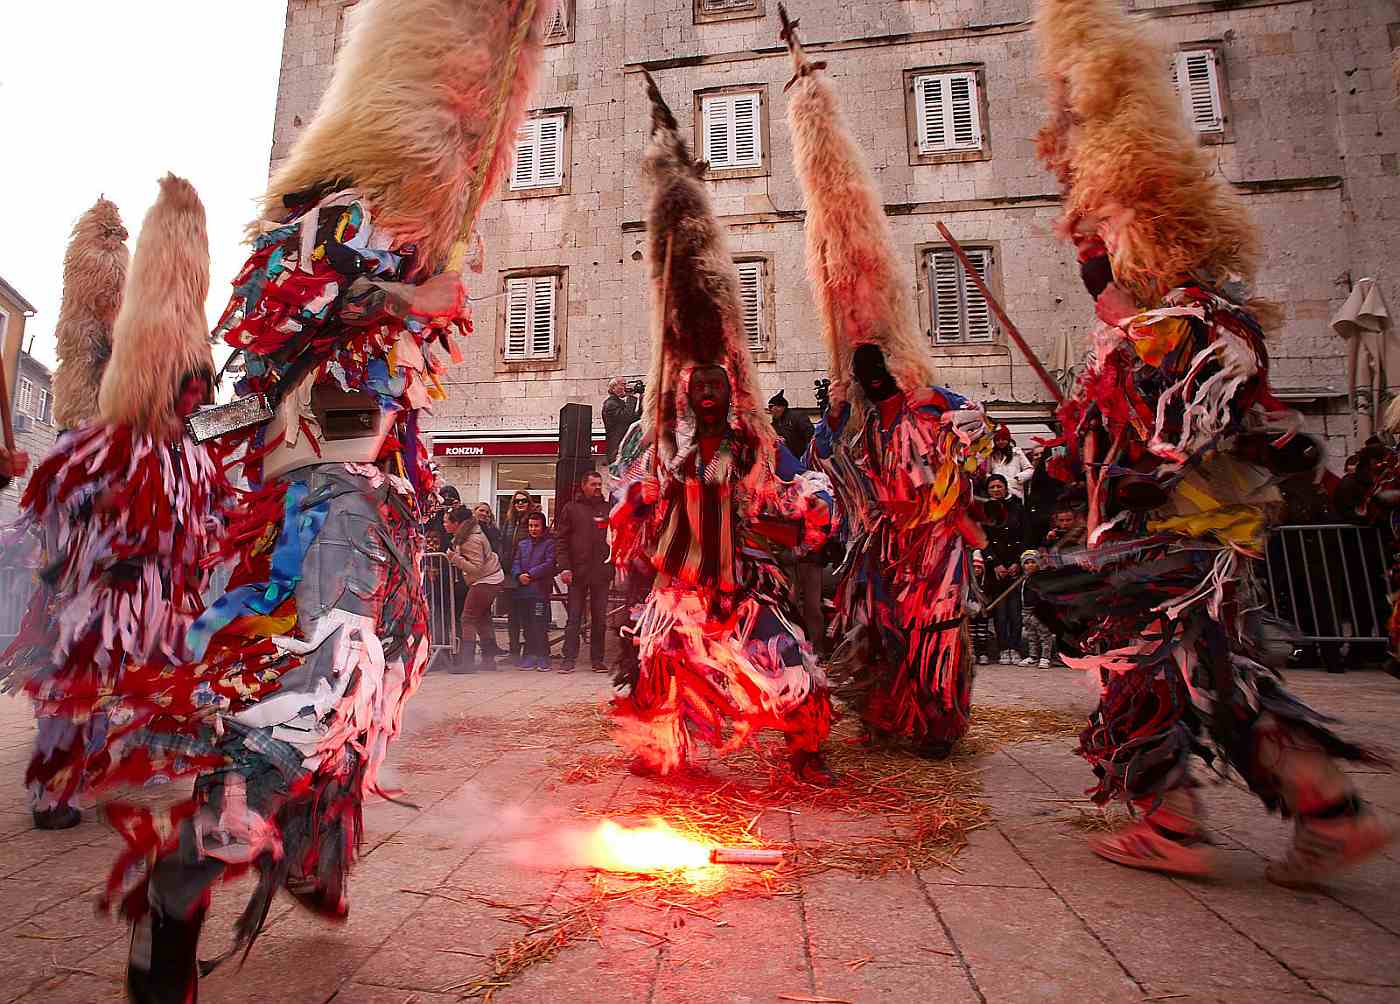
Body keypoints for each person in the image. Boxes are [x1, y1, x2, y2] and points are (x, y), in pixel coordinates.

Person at [39, 6, 549, 997]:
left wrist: (418, 287)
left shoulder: (383, 239)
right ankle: (181, 882)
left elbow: (382, 355)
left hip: (374, 500)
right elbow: (274, 318)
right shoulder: (320, 225)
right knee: (326, 679)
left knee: (372, 681)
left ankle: (313, 853)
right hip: (325, 499)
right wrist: (407, 298)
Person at [1030, 0, 1390, 885]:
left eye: (1095, 262)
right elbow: (1253, 432)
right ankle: (1325, 815)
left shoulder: (1179, 328)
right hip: (1199, 541)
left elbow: (1205, 425)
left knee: (1131, 653)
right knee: (1215, 677)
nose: (1090, 278)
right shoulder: (1203, 324)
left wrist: (1146, 477)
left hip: (1182, 543)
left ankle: (1178, 823)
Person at [610, 75, 837, 785]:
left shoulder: (748, 447)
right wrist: (640, 508)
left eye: (717, 384)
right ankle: (665, 756)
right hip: (679, 588)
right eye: (697, 384)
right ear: (687, 390)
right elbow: (643, 494)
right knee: (662, 676)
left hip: (737, 587)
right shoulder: (666, 443)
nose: (707, 390)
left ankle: (806, 751)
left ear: (727, 391)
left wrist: (806, 512)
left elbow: (784, 490)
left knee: (791, 666)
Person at [780, 10, 992, 760]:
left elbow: (973, 452)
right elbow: (829, 474)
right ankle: (884, 712)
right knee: (875, 623)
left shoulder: (938, 410)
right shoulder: (859, 421)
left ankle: (934, 720)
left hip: (928, 550)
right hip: (878, 551)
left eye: (877, 378)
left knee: (929, 624)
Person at [0, 176, 227, 837]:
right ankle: (60, 780)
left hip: (136, 508)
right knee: (85, 645)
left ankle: (110, 755)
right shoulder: (92, 410)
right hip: (99, 518)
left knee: (141, 635)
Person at [556, 470, 612, 673]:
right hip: (577, 573)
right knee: (574, 617)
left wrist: (613, 565)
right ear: (583, 486)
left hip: (601, 573)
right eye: (593, 484)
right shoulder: (571, 509)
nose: (597, 488)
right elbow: (561, 540)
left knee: (599, 619)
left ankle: (597, 660)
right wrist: (564, 567)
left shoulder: (608, 509)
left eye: (599, 484)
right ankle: (568, 659)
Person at [445, 504, 505, 671]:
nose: (444, 524)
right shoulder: (467, 534)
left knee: (468, 618)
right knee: (482, 618)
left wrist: (454, 558)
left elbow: (476, 568)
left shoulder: (471, 539)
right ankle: (488, 660)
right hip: (489, 577)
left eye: (446, 522)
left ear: (457, 523)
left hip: (486, 579)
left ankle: (467, 663)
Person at [981, 474, 1026, 663]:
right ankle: (1003, 648)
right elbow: (982, 540)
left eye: (999, 486)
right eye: (992, 487)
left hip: (1015, 564)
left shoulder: (1018, 508)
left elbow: (1026, 535)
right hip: (996, 567)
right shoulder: (984, 512)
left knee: (1015, 610)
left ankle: (1015, 647)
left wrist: (1018, 562)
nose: (996, 490)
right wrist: (995, 564)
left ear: (1006, 488)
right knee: (1000, 610)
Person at [513, 511, 556, 670]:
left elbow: (549, 563)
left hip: (540, 590)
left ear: (543, 527)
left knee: (539, 624)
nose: (533, 529)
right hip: (524, 591)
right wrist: (519, 575)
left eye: (536, 526)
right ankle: (530, 655)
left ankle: (543, 656)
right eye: (531, 526)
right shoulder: (522, 544)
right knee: (527, 624)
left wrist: (531, 574)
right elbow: (516, 561)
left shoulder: (550, 543)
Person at [500, 490, 535, 663]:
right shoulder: (509, 522)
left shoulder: (533, 521)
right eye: (516, 501)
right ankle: (514, 651)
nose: (520, 504)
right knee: (512, 614)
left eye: (523, 501)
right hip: (510, 572)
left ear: (529, 502)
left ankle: (530, 650)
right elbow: (504, 544)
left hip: (527, 571)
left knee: (527, 614)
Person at [1016, 550, 1055, 668]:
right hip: (1026, 610)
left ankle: (1045, 657)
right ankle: (1033, 656)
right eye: (1027, 563)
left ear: (1038, 563)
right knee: (1031, 634)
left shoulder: (1041, 578)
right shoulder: (1024, 579)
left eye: (1033, 562)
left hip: (1039, 611)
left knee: (1044, 634)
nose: (1030, 565)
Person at [603, 377, 642, 463]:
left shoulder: (620, 403)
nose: (626, 387)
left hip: (624, 447)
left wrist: (642, 398)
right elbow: (626, 418)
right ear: (613, 388)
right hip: (616, 448)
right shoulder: (610, 404)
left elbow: (634, 419)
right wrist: (631, 396)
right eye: (623, 384)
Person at [988, 425, 1034, 499]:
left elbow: (1030, 470)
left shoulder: (1017, 452)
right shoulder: (991, 455)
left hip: (1015, 492)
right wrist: (994, 482)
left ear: (1008, 439)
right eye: (997, 440)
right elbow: (987, 473)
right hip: (996, 492)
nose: (1000, 442)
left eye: (1003, 439)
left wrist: (1018, 478)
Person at [768, 390, 814, 460]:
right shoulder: (774, 424)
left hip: (800, 458)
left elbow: (810, 435)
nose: (770, 410)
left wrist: (806, 456)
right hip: (786, 461)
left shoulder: (797, 417)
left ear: (781, 407)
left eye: (771, 407)